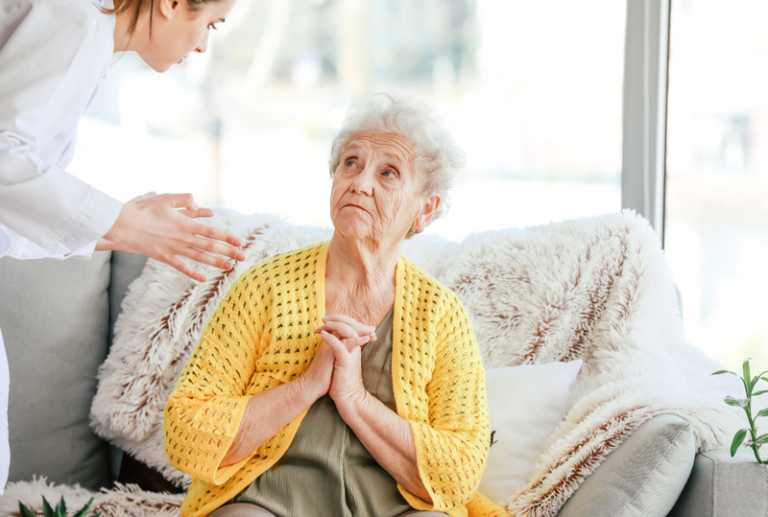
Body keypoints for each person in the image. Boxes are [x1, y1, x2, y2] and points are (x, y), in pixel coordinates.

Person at [164, 93, 507, 517]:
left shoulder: (442, 315)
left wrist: (354, 399)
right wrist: (306, 385)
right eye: (351, 163)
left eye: (388, 173)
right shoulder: (265, 287)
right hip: (267, 501)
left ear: (425, 209)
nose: (360, 183)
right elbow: (185, 430)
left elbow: (458, 473)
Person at [0, 0, 247, 492]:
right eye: (210, 23)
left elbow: (13, 207)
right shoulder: (74, 20)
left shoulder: (86, 41)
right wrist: (124, 223)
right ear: (172, 4)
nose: (202, 44)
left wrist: (118, 227)